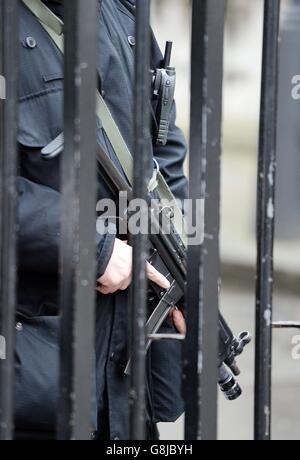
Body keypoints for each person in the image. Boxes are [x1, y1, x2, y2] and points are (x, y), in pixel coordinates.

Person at [16, 0, 187, 440]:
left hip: (126, 352)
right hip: (36, 347)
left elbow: (162, 149)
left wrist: (182, 259)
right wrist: (90, 246)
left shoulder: (125, 10)